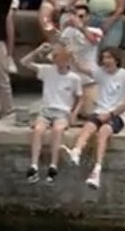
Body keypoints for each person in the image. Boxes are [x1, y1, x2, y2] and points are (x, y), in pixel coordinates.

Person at [64, 48, 125, 190]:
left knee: (104, 132)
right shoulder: (100, 73)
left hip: (116, 114)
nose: (106, 61)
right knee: (88, 127)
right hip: (100, 111)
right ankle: (76, 151)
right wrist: (71, 54)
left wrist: (111, 114)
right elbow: (81, 68)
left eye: (109, 58)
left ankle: (97, 170)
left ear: (116, 59)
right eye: (104, 57)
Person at [20, 43, 83, 183]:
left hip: (62, 111)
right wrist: (37, 50)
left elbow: (79, 99)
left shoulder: (74, 78)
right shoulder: (47, 70)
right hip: (46, 110)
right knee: (38, 130)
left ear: (68, 61)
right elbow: (24, 62)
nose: (59, 62)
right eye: (57, 59)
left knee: (57, 130)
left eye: (62, 59)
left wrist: (74, 114)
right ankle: (34, 165)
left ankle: (53, 165)